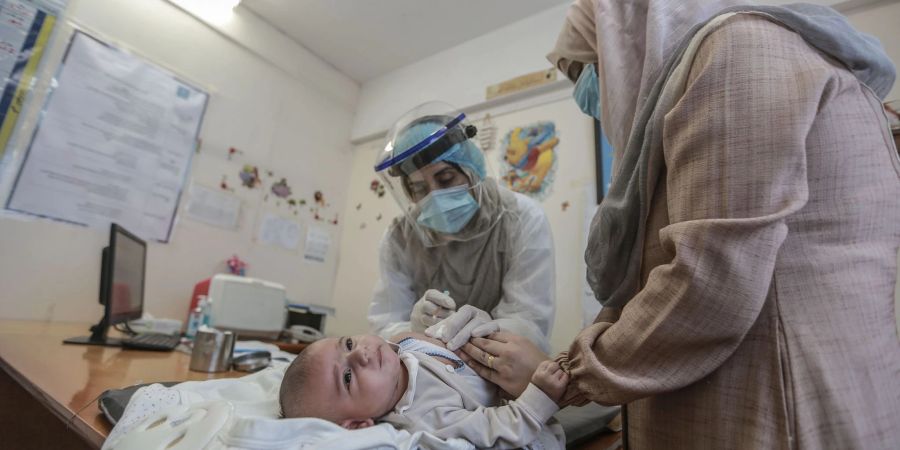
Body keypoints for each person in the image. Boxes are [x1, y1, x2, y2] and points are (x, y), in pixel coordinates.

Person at [441, 1, 900, 448]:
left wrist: (566, 375)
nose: (588, 98)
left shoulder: (740, 51)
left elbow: (709, 285)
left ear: (623, 38)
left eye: (584, 72)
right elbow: (672, 274)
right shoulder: (716, 79)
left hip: (782, 408)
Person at [367, 101, 556, 353]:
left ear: (471, 169)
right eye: (419, 188)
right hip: (427, 371)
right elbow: (384, 325)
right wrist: (411, 329)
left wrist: (486, 330)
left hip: (497, 374)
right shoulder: (400, 239)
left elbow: (530, 325)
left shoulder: (521, 218)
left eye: (446, 178)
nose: (434, 195)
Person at [279, 332, 566, 449]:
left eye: (349, 344)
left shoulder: (404, 347)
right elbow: (498, 430)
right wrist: (539, 398)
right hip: (537, 426)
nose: (360, 355)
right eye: (347, 377)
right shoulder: (424, 416)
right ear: (356, 425)